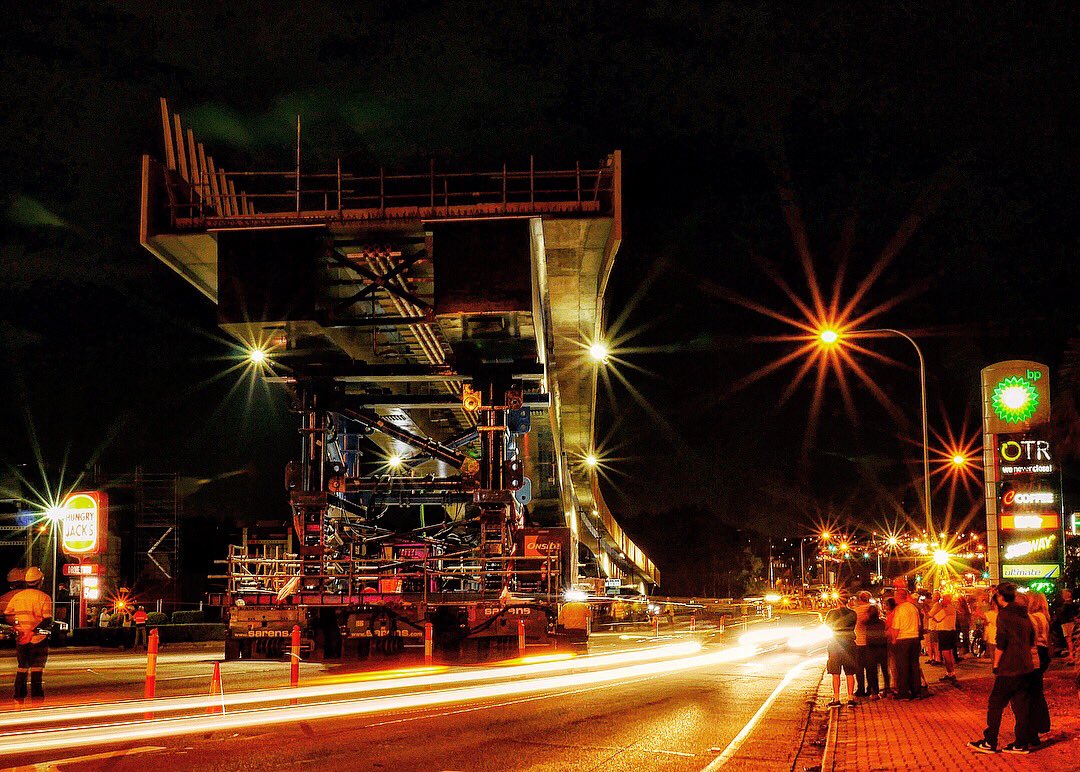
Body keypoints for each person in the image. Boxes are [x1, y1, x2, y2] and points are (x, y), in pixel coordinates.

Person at [969, 583, 1038, 755]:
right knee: (1021, 704)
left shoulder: (1004, 615)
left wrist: (996, 664)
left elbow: (1001, 642)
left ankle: (989, 741)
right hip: (1025, 665)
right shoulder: (1024, 614)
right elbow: (1031, 638)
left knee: (995, 704)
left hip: (1009, 666)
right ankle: (1021, 742)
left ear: (1000, 597)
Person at [2, 566, 53, 702]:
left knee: (22, 669)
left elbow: (7, 615)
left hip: (22, 639)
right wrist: (32, 631)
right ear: (39, 581)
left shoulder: (17, 597)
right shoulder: (44, 598)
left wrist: (18, 627)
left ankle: (18, 698)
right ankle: (36, 701)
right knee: (37, 672)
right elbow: (47, 619)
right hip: (38, 639)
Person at [824, 596, 858, 707]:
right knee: (849, 673)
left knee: (835, 673)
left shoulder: (831, 613)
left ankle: (836, 698)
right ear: (847, 601)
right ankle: (850, 699)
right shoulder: (853, 614)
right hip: (849, 644)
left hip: (835, 644)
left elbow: (827, 625)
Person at [1027, 591, 1051, 738]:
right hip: (1043, 651)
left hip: (1038, 651)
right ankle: (1042, 724)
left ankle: (1039, 724)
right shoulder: (1044, 616)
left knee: (1034, 691)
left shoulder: (1035, 617)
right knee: (1037, 690)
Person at [891, 588, 922, 699]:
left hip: (903, 639)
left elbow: (896, 627)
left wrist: (894, 639)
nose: (894, 598)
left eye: (895, 596)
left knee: (902, 666)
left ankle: (904, 692)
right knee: (914, 665)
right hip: (914, 638)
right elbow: (919, 624)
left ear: (899, 597)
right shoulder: (913, 608)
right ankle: (916, 690)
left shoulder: (899, 609)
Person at [930, 593, 958, 684]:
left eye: (943, 599)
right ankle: (950, 672)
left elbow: (935, 618)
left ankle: (951, 673)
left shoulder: (947, 609)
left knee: (946, 653)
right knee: (949, 653)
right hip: (950, 632)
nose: (942, 601)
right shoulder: (951, 608)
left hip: (945, 632)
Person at [864, 604, 890, 698]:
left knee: (873, 671)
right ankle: (888, 689)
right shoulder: (882, 623)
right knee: (884, 670)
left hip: (871, 648)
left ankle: (875, 691)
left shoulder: (866, 623)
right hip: (882, 647)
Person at [851, 592, 872, 697]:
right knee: (870, 668)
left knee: (859, 668)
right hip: (871, 642)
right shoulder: (874, 610)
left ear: (859, 599)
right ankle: (870, 688)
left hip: (858, 642)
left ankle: (860, 689)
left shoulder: (856, 611)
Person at [1053, 589, 1077, 661]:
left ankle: (1072, 654)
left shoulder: (1067, 604)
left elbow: (1063, 613)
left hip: (1067, 623)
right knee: (1069, 639)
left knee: (1069, 639)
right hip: (1067, 622)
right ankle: (1072, 654)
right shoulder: (1069, 603)